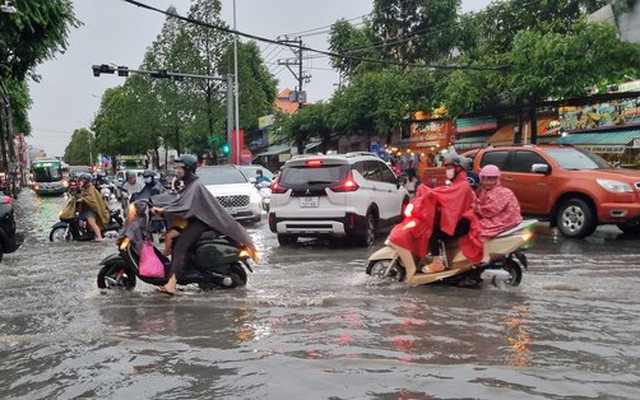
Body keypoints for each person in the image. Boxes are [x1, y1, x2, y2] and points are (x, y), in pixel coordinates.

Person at [151, 155, 256, 296]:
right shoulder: (189, 184)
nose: (177, 171)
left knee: (179, 248)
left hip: (200, 222)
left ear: (187, 168)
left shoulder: (195, 186)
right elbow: (177, 199)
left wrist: (164, 211)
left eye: (179, 168)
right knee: (174, 240)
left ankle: (171, 285)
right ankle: (183, 271)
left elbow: (185, 207)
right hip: (195, 220)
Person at [388, 151, 483, 274]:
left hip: (462, 224)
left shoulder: (463, 186)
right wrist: (428, 191)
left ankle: (437, 264)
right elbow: (444, 192)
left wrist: (430, 193)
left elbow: (447, 197)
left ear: (458, 169)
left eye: (450, 168)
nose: (447, 171)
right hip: (459, 221)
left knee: (432, 234)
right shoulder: (457, 184)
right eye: (447, 168)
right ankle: (432, 258)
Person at [475, 164, 523, 263]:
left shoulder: (500, 192)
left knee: (480, 229)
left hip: (505, 218)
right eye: (485, 179)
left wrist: (476, 208)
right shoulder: (485, 190)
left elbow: (491, 210)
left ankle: (485, 256)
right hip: (497, 216)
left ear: (497, 179)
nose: (487, 182)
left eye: (491, 179)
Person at [76, 173, 110, 242]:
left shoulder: (90, 188)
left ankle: (99, 237)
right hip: (85, 208)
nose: (82, 181)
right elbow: (81, 194)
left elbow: (92, 199)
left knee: (92, 223)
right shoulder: (84, 188)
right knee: (80, 222)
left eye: (84, 179)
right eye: (82, 179)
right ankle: (86, 235)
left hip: (90, 209)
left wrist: (83, 199)